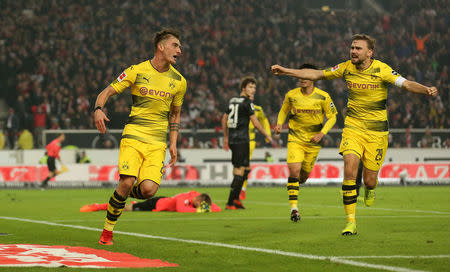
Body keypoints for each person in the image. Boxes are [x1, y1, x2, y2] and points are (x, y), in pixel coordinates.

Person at [271, 34, 438, 235]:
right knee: (350, 169)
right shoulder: (345, 68)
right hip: (353, 127)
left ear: (370, 52)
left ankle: (370, 189)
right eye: (352, 47)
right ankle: (350, 221)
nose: (353, 51)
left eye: (358, 48)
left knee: (370, 180)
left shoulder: (382, 69)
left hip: (377, 132)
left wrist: (426, 89)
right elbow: (316, 74)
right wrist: (286, 71)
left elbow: (406, 83)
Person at [93, 28, 186, 245]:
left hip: (157, 143)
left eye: (180, 47)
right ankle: (107, 231)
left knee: (148, 190)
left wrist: (173, 144)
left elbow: (175, 114)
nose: (180, 51)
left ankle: (121, 192)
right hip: (134, 136)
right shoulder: (137, 71)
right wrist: (98, 108)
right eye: (175, 45)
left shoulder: (179, 81)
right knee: (127, 180)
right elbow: (106, 92)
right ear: (160, 47)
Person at [274, 63, 337, 222]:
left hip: (313, 143)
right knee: (294, 171)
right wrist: (280, 123)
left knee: (302, 177)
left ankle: (294, 185)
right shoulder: (291, 95)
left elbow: (333, 117)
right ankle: (294, 209)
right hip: (295, 139)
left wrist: (322, 133)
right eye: (300, 75)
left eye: (306, 75)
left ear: (313, 77)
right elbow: (284, 110)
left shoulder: (323, 96)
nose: (302, 78)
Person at [222, 76, 272, 210]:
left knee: (246, 169)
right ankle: (230, 202)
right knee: (239, 170)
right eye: (250, 87)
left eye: (254, 87)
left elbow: (224, 118)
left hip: (234, 139)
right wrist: (267, 134)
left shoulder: (232, 100)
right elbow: (255, 122)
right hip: (242, 140)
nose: (253, 90)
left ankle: (236, 199)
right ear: (243, 88)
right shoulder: (247, 102)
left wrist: (226, 137)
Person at [239, 102, 272, 201]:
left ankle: (242, 189)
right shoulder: (238, 106)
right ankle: (239, 188)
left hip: (250, 141)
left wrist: (268, 134)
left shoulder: (257, 109)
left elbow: (264, 120)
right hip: (238, 139)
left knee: (244, 165)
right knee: (238, 165)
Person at [80, 191, 221, 213]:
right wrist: (198, 210)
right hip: (156, 203)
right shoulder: (187, 199)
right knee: (128, 208)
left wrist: (207, 208)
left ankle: (100, 206)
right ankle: (98, 206)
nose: (199, 207)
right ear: (197, 200)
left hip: (163, 201)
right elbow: (180, 208)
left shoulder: (198, 198)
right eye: (199, 205)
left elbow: (217, 208)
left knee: (131, 206)